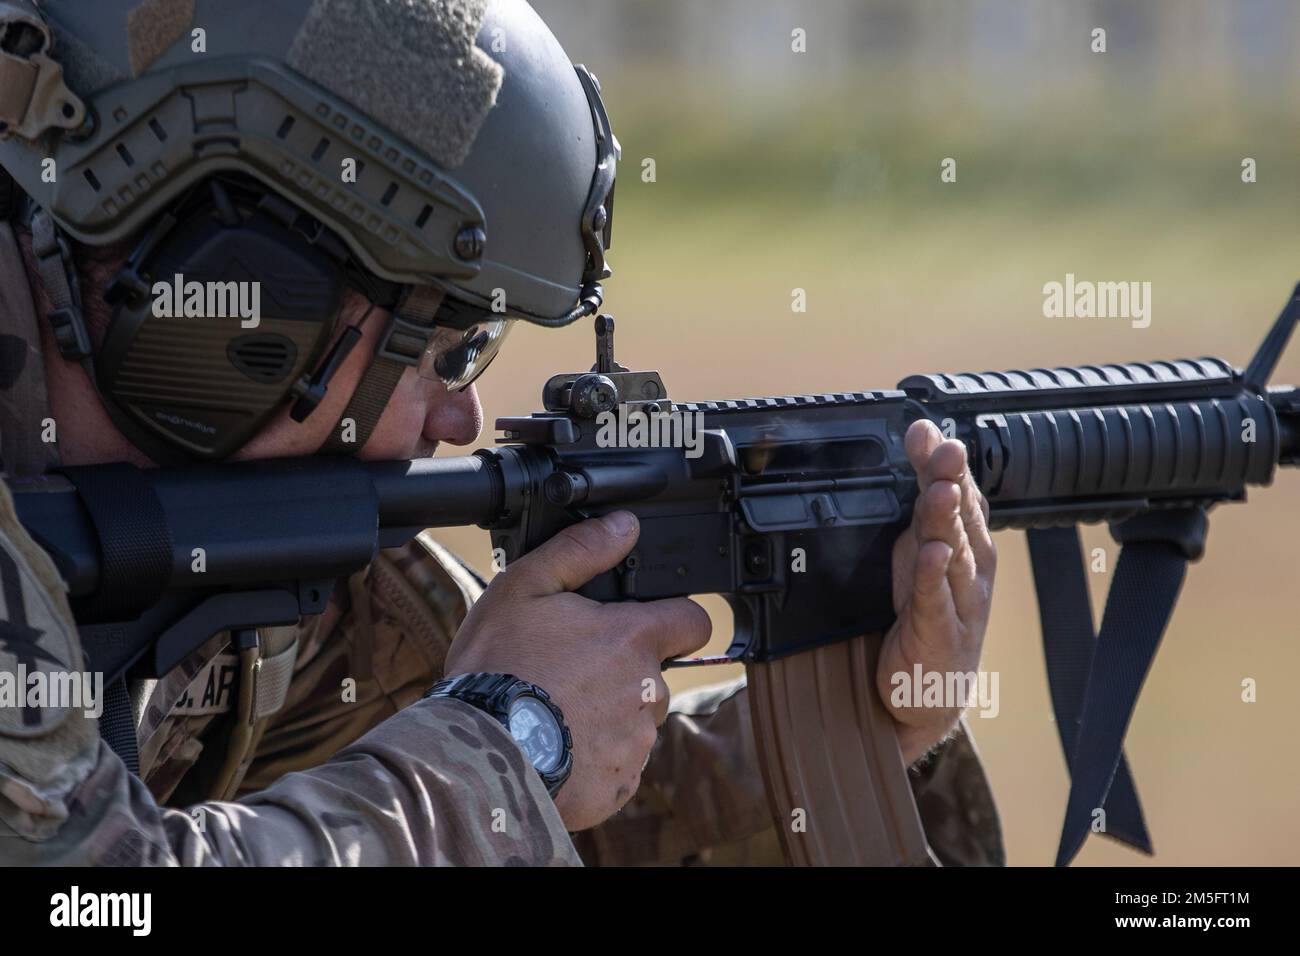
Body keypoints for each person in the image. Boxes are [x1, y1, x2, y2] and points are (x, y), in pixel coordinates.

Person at [0, 0, 1001, 865]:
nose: (461, 416)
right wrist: (510, 742)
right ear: (240, 309)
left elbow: (536, 817)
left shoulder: (259, 556)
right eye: (447, 347)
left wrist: (862, 721)